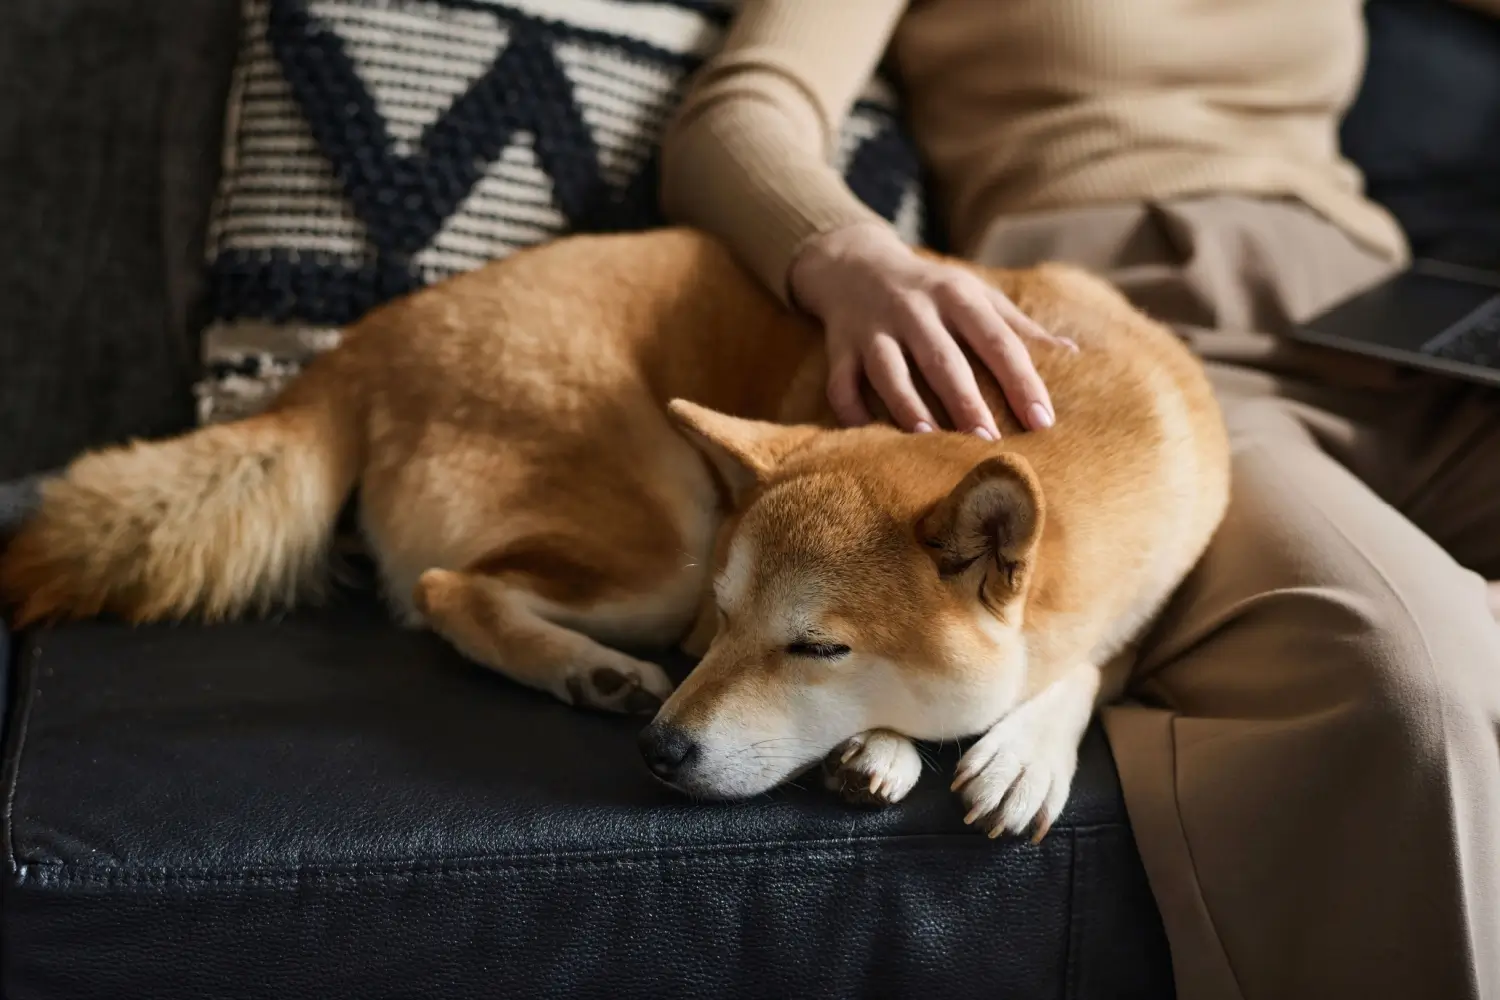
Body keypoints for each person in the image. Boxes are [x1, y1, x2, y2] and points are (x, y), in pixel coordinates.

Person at [658, 2, 1500, 997]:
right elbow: (738, 114)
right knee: (1417, 678)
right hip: (1132, 369)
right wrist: (851, 257)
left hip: (1400, 328)